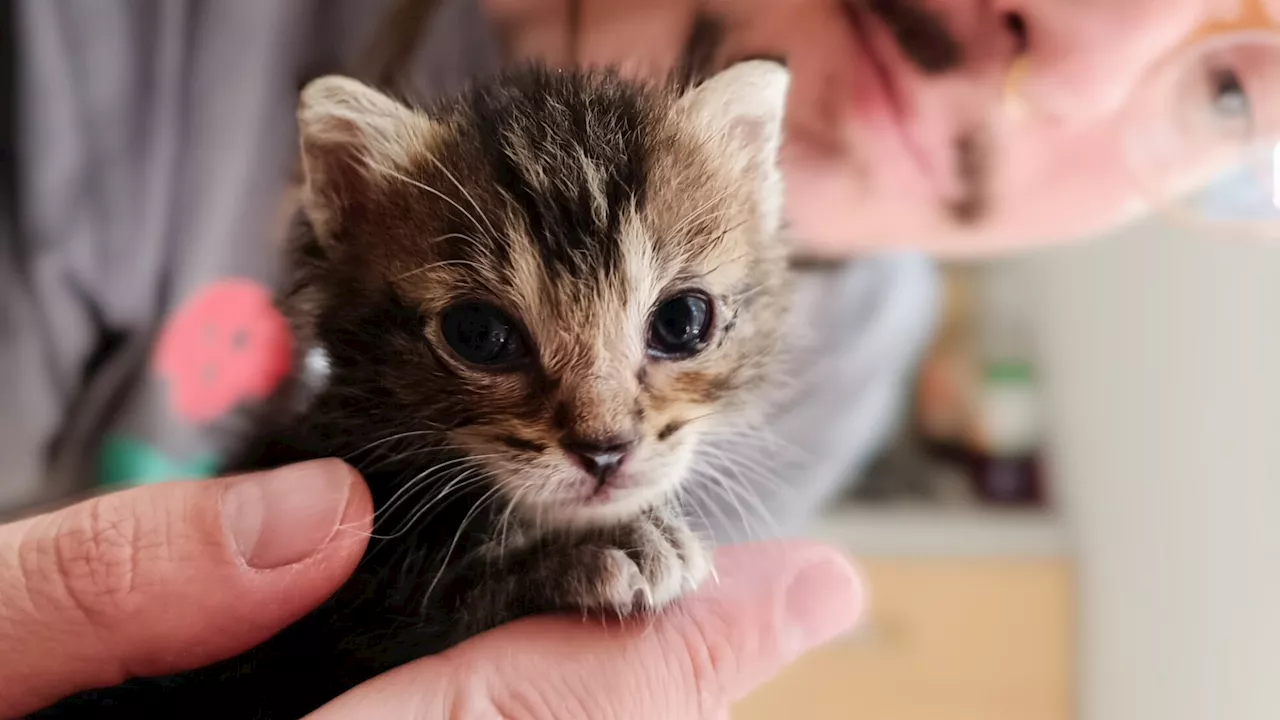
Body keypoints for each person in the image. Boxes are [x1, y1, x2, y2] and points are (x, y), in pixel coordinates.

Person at [1, 0, 1276, 715]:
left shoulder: (846, 343)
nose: (1067, 45)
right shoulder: (95, 51)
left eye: (1233, 82)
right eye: (488, 337)